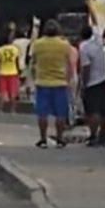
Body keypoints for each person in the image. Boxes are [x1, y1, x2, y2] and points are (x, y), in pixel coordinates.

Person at [31, 19, 71, 149]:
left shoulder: (37, 44)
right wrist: (69, 80)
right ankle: (60, 138)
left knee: (42, 113)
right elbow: (69, 64)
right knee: (61, 114)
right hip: (60, 82)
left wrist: (33, 78)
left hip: (42, 82)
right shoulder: (64, 45)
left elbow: (33, 63)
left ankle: (43, 139)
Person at [79, 24, 105, 147]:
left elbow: (86, 67)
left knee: (93, 111)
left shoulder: (83, 48)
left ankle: (93, 135)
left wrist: (83, 84)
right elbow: (96, 24)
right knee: (104, 110)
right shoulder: (98, 41)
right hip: (102, 80)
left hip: (92, 82)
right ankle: (103, 135)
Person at [0, 32, 20, 115]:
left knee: (2, 92)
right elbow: (17, 61)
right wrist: (18, 70)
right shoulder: (15, 49)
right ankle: (12, 110)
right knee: (12, 92)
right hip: (13, 72)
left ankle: (0, 110)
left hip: (2, 72)